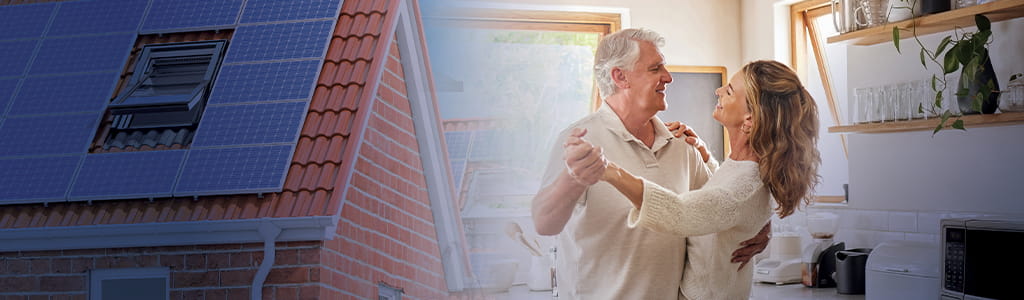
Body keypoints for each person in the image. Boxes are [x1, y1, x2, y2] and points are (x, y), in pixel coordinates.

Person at [530, 28, 769, 300]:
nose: (668, 77)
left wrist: (760, 225)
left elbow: (720, 209)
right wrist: (573, 179)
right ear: (620, 77)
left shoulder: (682, 146)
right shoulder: (581, 141)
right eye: (655, 69)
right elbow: (544, 224)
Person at [566, 60, 821, 299]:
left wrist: (610, 171)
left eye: (730, 91)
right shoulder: (741, 167)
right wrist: (705, 156)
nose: (719, 91)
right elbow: (720, 202)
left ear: (750, 119)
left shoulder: (743, 187)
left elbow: (680, 214)